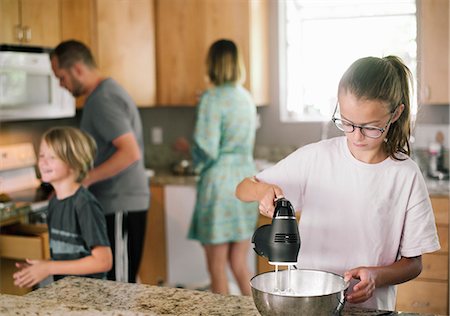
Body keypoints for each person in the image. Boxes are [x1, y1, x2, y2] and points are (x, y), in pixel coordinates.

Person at [235, 56, 440, 310]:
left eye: (371, 127)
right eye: (347, 122)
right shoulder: (317, 157)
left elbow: (414, 263)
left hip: (369, 309)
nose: (356, 136)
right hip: (307, 306)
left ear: (395, 114)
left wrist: (377, 276)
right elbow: (243, 188)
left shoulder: (405, 176)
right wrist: (263, 190)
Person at [50, 40, 150, 283]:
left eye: (61, 77)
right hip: (117, 204)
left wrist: (83, 181)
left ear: (77, 69)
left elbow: (129, 152)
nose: (61, 85)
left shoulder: (101, 100)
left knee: (120, 288)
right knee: (118, 282)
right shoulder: (104, 93)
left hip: (120, 204)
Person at [187, 39, 258, 295]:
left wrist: (193, 156)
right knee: (239, 263)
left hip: (218, 185)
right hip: (245, 181)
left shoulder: (212, 98)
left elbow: (207, 147)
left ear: (212, 64)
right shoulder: (246, 98)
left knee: (216, 266)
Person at [13, 127, 112, 288]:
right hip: (66, 294)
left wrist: (48, 267)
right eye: (41, 155)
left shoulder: (84, 204)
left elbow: (103, 261)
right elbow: (68, 256)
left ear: (73, 162)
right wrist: (39, 268)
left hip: (91, 297)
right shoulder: (54, 202)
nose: (43, 162)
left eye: (52, 157)